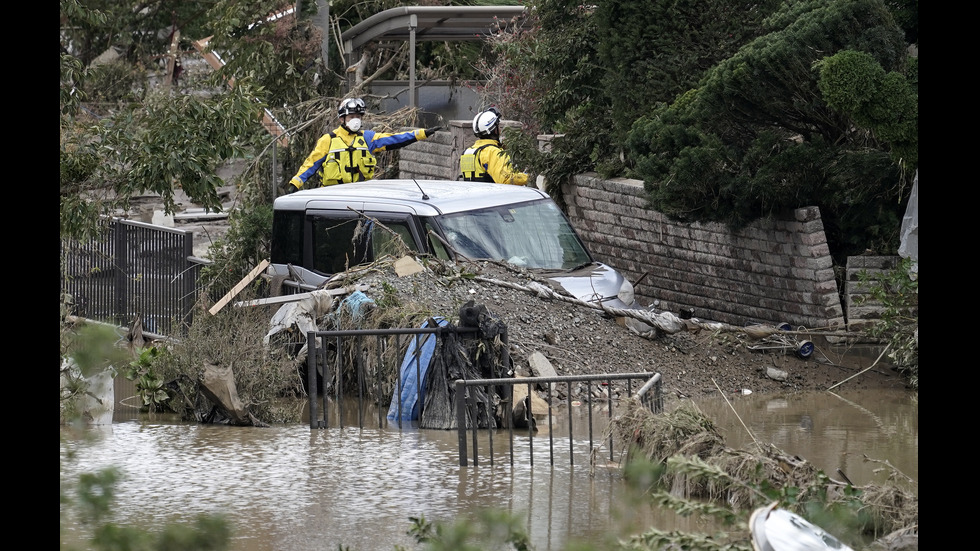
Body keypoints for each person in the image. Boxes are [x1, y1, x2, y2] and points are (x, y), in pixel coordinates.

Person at [284, 97, 442, 192]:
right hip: (332, 195)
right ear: (342, 119)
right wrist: (295, 183)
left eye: (358, 116)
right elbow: (311, 164)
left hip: (360, 193)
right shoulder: (328, 140)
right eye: (351, 116)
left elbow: (395, 139)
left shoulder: (368, 138)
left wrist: (422, 133)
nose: (355, 120)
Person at [459, 107, 529, 186]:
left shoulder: (468, 152)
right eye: (498, 127)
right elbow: (506, 180)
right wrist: (527, 177)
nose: (500, 130)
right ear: (494, 130)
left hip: (474, 196)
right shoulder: (493, 152)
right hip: (491, 196)